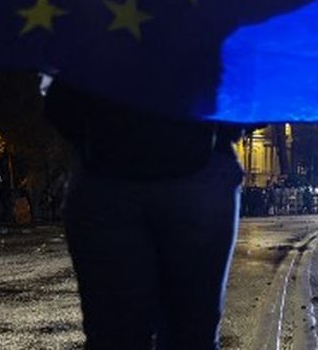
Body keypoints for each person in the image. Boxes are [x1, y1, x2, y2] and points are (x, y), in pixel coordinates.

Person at [44, 79, 244, 349]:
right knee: (191, 334)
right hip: (198, 161)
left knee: (114, 335)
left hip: (107, 164)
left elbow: (59, 100)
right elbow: (250, 87)